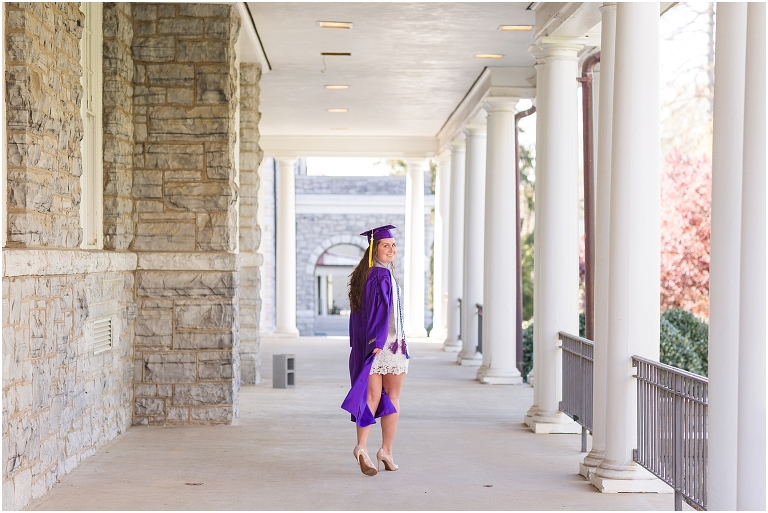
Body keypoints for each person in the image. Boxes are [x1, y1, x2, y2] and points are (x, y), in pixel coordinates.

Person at [341, 225, 409, 476]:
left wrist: (365, 344)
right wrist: (377, 342)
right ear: (374, 249)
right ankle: (386, 451)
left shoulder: (365, 275)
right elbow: (381, 314)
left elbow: (359, 318)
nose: (392, 250)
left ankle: (362, 447)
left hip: (370, 345)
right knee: (392, 397)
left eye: (393, 245)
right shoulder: (381, 275)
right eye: (385, 246)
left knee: (371, 397)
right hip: (388, 345)